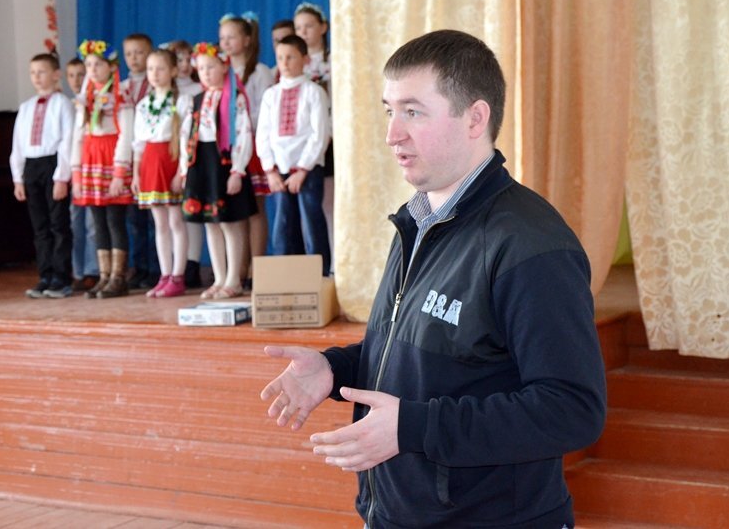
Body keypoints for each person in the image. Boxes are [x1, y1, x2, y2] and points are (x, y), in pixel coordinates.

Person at [260, 29, 607, 528]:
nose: (392, 134)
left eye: (413, 112)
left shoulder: (531, 244)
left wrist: (414, 427)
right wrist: (336, 370)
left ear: (475, 118)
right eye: (389, 110)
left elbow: (572, 410)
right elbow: (428, 353)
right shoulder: (417, 220)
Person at [178, 42, 257, 299]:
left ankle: (234, 279)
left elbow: (243, 133)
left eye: (210, 67)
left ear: (224, 67)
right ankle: (219, 277)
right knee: (210, 224)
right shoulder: (196, 100)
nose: (206, 73)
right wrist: (185, 169)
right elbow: (186, 136)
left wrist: (237, 170)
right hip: (201, 164)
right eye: (201, 68)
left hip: (223, 163)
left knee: (229, 223)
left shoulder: (234, 99)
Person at [255, 35, 331, 273]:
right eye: (280, 58)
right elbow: (263, 134)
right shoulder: (271, 94)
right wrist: (270, 170)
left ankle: (318, 276)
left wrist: (303, 169)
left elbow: (320, 134)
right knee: (283, 223)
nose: (285, 63)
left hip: (307, 169)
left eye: (290, 57)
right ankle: (285, 276)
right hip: (279, 170)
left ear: (305, 59)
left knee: (311, 222)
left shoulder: (314, 92)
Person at [71, 39, 134, 298]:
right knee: (97, 222)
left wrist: (120, 172)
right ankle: (103, 275)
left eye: (98, 64)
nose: (93, 70)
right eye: (89, 65)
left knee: (114, 220)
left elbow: (126, 133)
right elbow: (78, 135)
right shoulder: (85, 98)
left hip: (111, 157)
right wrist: (76, 173)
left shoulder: (120, 95)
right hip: (90, 159)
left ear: (111, 66)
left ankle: (119, 277)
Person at [10, 53, 75, 298]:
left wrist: (61, 176)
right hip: (32, 166)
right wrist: (18, 177)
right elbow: (17, 145)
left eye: (42, 72)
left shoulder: (63, 104)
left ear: (56, 74)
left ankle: (61, 277)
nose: (36, 77)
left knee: (58, 224)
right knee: (40, 227)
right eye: (33, 73)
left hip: (52, 165)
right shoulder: (26, 107)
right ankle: (45, 275)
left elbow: (67, 141)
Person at [219, 13, 274, 287]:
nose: (226, 43)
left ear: (247, 39)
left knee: (255, 209)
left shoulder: (260, 72)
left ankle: (257, 266)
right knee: (235, 208)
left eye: (232, 37)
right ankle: (237, 267)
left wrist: (241, 123)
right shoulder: (221, 71)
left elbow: (264, 112)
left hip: (251, 144)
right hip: (228, 148)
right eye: (222, 38)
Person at [131, 49, 188, 298]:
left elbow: (185, 139)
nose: (154, 74)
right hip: (150, 163)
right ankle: (164, 275)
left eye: (160, 68)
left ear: (173, 71)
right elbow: (138, 143)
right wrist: (136, 174)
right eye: (150, 69)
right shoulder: (143, 105)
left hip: (171, 159)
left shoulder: (182, 101)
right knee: (160, 223)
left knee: (176, 221)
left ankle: (178, 275)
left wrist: (181, 172)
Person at [293, 2, 334, 272]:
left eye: (309, 26)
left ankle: (336, 263)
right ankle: (314, 265)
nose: (304, 32)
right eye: (299, 28)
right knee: (309, 206)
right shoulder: (293, 63)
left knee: (330, 203)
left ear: (323, 27)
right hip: (304, 142)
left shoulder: (334, 60)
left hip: (330, 138)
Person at [166, 38, 207, 288]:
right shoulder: (163, 92)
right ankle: (172, 267)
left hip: (190, 156)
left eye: (187, 59)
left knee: (192, 212)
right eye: (177, 59)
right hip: (166, 158)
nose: (183, 65)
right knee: (170, 217)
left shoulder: (197, 89)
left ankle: (192, 264)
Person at [123, 33, 160, 289]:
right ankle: (139, 266)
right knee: (134, 219)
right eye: (129, 53)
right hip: (130, 157)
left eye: (139, 52)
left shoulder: (157, 85)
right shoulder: (121, 87)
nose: (134, 58)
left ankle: (157, 269)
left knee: (155, 218)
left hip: (153, 157)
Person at [64, 57, 99, 292]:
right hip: (73, 171)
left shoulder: (95, 102)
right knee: (74, 222)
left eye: (81, 74)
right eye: (72, 75)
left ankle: (92, 270)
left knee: (92, 223)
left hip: (93, 168)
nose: (77, 80)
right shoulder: (66, 105)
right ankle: (77, 270)